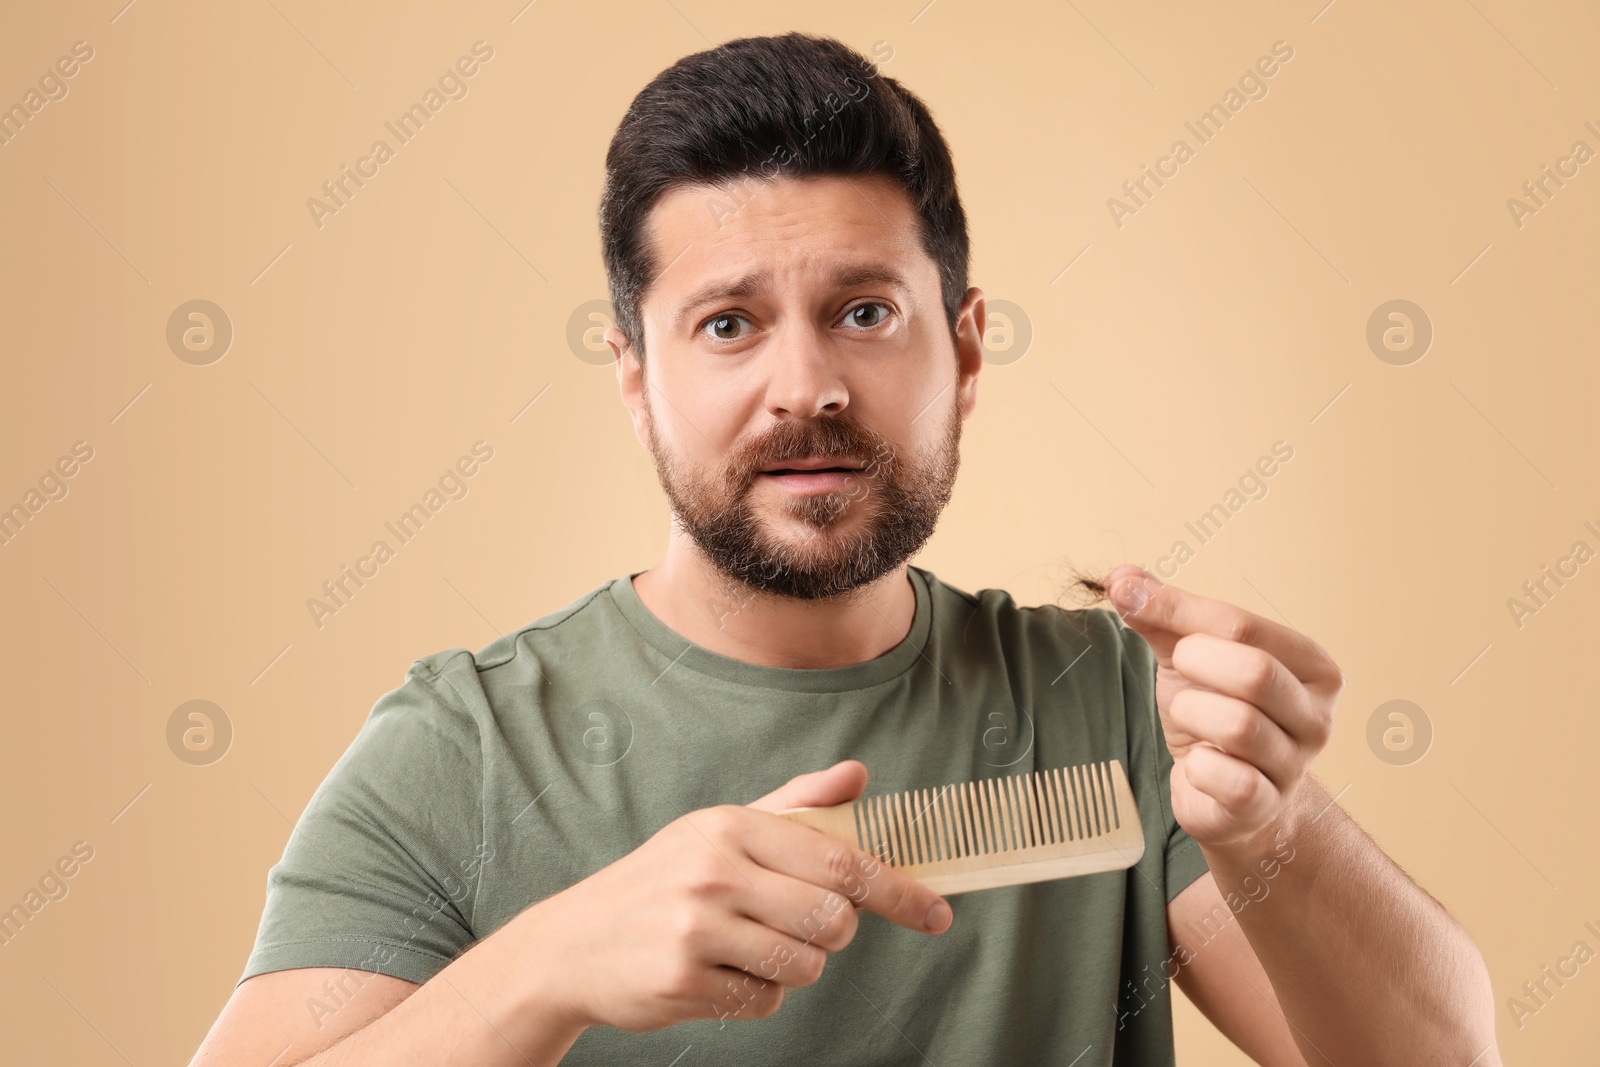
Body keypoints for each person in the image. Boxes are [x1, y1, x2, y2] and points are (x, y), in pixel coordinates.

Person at [188, 32, 1498, 1066]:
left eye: (864, 310)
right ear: (635, 377)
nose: (804, 385)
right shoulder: (458, 755)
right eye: (726, 325)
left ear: (966, 347)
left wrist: (1278, 833)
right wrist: (547, 967)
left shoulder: (1112, 705)